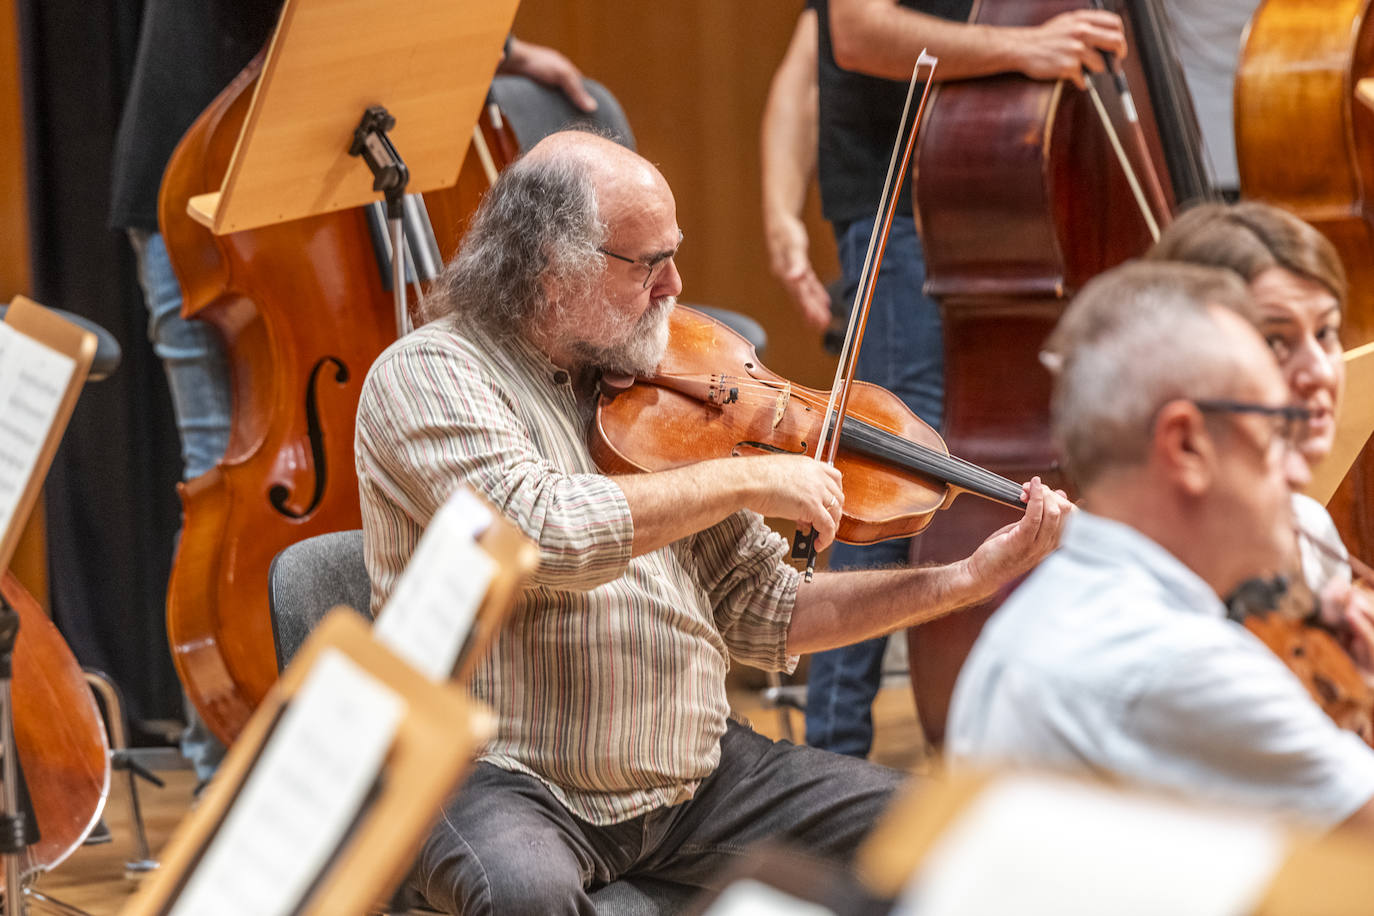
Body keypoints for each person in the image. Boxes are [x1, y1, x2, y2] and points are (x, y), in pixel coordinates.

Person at [355, 129, 1070, 913]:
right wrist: (741, 477)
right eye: (648, 265)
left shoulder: (657, 400)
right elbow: (543, 535)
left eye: (674, 255)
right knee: (523, 891)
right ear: (552, 270)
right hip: (508, 774)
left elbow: (765, 607)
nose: (676, 285)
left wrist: (962, 580)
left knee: (948, 837)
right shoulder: (428, 376)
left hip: (695, 777)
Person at [107, 0, 597, 780]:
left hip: (332, 137)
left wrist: (494, 44)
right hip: (209, 172)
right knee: (226, 462)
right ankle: (227, 768)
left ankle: (416, 741)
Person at [760, 0, 1126, 757]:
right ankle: (831, 753)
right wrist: (778, 214)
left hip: (1004, 188)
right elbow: (845, 35)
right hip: (910, 207)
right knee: (888, 466)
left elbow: (805, 47)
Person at [946, 260, 1374, 835]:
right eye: (1277, 428)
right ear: (1188, 446)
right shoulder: (1175, 662)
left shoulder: (1052, 605)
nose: (1297, 464)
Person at [1146, 200, 1374, 661]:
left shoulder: (1310, 526)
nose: (1320, 372)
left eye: (1326, 332)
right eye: (1275, 340)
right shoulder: (1155, 576)